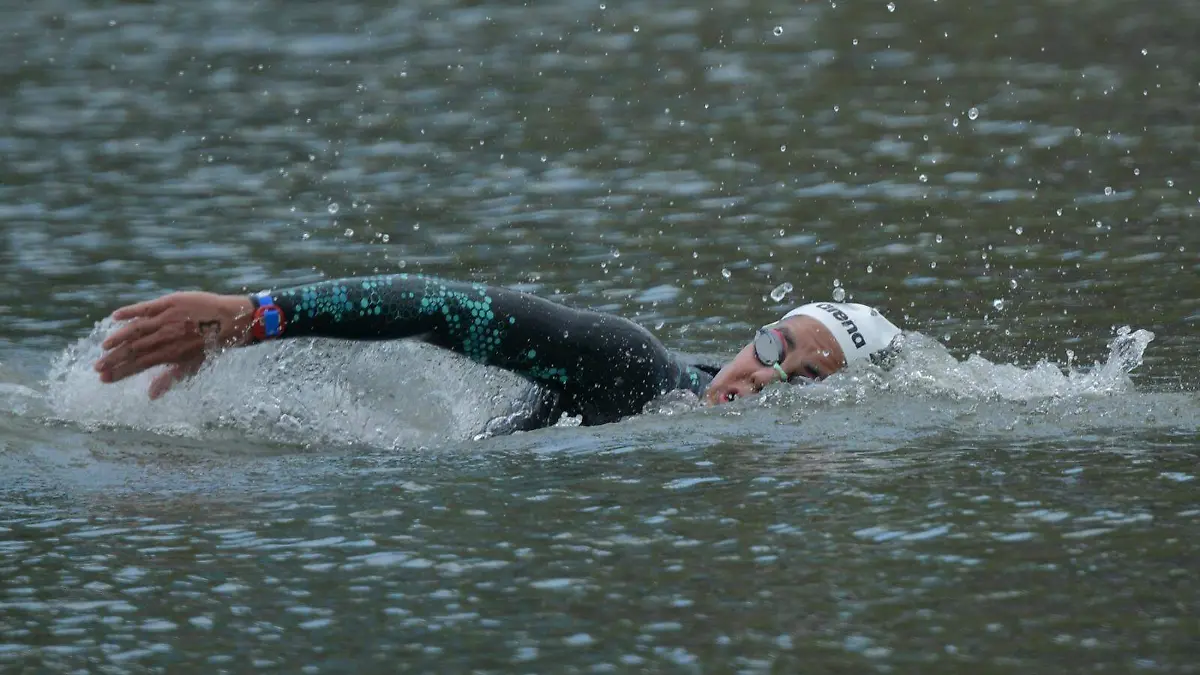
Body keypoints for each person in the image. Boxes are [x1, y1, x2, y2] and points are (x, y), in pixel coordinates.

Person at [92, 273, 902, 430]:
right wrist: (254, 314)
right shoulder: (636, 371)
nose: (760, 375)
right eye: (774, 344)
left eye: (799, 380)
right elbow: (448, 308)